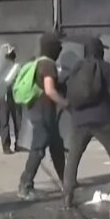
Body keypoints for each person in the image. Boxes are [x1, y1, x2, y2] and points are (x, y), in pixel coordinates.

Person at [61, 37, 110, 207]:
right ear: (100, 51)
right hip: (103, 118)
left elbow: (67, 90)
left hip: (79, 120)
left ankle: (67, 195)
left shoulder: (77, 68)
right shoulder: (106, 68)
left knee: (73, 156)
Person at [17, 33, 66, 201]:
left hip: (41, 112)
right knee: (38, 150)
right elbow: (50, 90)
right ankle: (25, 185)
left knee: (57, 147)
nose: (60, 49)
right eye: (58, 46)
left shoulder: (38, 62)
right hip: (43, 114)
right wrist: (65, 103)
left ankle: (66, 181)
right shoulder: (48, 64)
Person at [0, 44, 20, 154]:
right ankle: (6, 146)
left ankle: (19, 143)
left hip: (15, 95)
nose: (13, 55)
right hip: (4, 96)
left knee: (18, 121)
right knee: (4, 122)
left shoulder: (15, 67)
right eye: (10, 54)